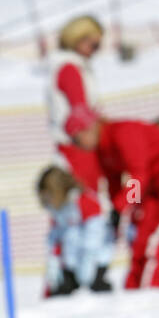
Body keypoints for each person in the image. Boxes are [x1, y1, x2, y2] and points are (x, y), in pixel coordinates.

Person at [66, 105, 159, 289]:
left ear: (89, 128)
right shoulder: (103, 150)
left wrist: (121, 206)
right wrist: (116, 212)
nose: (78, 145)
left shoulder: (123, 133)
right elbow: (114, 184)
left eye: (77, 139)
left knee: (158, 243)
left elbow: (138, 176)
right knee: (140, 243)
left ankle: (151, 297)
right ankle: (133, 295)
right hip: (153, 188)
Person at [48, 14, 105, 196]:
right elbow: (79, 111)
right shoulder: (70, 69)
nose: (95, 51)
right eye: (93, 45)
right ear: (78, 40)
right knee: (86, 201)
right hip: (78, 148)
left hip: (75, 145)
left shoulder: (72, 66)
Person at [36, 164, 113, 295]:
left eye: (49, 196)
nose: (47, 201)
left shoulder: (84, 201)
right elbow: (57, 237)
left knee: (97, 291)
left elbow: (94, 237)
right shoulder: (60, 209)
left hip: (94, 262)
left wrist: (87, 271)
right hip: (72, 263)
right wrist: (54, 262)